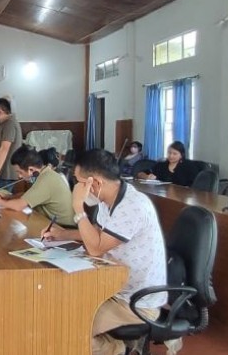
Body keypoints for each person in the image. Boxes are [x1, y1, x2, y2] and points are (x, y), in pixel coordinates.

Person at [42, 149, 169, 355]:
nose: (77, 188)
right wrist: (62, 234)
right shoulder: (107, 199)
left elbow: (95, 249)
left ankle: (114, 350)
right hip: (111, 286)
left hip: (135, 301)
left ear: (96, 183)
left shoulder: (133, 206)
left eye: (80, 182)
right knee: (57, 307)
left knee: (67, 328)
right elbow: (99, 235)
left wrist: (78, 208)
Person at [0, 146, 75, 226]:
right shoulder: (45, 174)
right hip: (50, 224)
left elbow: (18, 205)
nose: (19, 176)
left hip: (63, 228)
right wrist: (8, 197)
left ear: (31, 169)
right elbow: (28, 195)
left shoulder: (46, 180)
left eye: (20, 172)